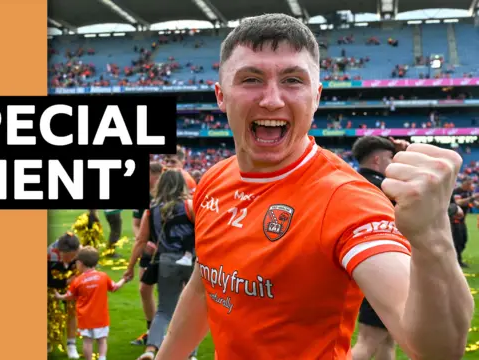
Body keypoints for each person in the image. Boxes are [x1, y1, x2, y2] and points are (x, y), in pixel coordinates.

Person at [153, 13, 473, 360]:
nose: (272, 99)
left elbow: (436, 351)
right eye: (251, 79)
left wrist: (432, 236)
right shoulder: (213, 180)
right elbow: (205, 288)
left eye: (292, 80)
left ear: (316, 96)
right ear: (221, 96)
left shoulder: (347, 200)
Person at [123, 169, 199, 360]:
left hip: (166, 262)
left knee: (164, 309)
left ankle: (150, 350)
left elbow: (141, 240)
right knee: (191, 309)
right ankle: (190, 353)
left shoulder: (152, 209)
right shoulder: (190, 205)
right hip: (192, 262)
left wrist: (130, 267)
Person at [349, 136, 408, 360]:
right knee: (367, 342)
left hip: (363, 264)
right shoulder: (383, 186)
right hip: (385, 269)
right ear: (377, 160)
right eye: (391, 158)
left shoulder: (352, 181)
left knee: (386, 341)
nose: (393, 163)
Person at [54, 246, 128, 360]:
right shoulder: (103, 276)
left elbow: (70, 296)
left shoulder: (77, 281)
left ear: (80, 263)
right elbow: (114, 287)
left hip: (85, 318)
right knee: (102, 340)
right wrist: (124, 279)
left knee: (87, 341)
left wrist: (59, 296)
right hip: (101, 317)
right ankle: (102, 358)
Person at [131, 161, 164, 346]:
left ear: (157, 175)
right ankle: (151, 332)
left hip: (168, 251)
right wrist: (142, 241)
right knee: (144, 290)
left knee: (172, 292)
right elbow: (136, 224)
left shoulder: (167, 195)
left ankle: (171, 333)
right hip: (148, 252)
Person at [47, 232, 82, 359]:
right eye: (66, 257)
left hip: (72, 283)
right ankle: (48, 340)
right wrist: (65, 282)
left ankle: (71, 344)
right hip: (52, 284)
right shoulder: (48, 254)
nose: (68, 260)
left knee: (72, 310)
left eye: (72, 257)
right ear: (58, 250)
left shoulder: (82, 253)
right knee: (49, 312)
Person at [452, 177, 478, 267]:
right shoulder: (457, 191)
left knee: (463, 240)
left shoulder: (468, 192)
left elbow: (474, 203)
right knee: (457, 241)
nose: (470, 186)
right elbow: (459, 202)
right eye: (468, 184)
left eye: (471, 184)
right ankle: (457, 261)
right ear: (464, 183)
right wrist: (472, 198)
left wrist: (474, 201)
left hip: (463, 220)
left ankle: (456, 259)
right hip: (454, 220)